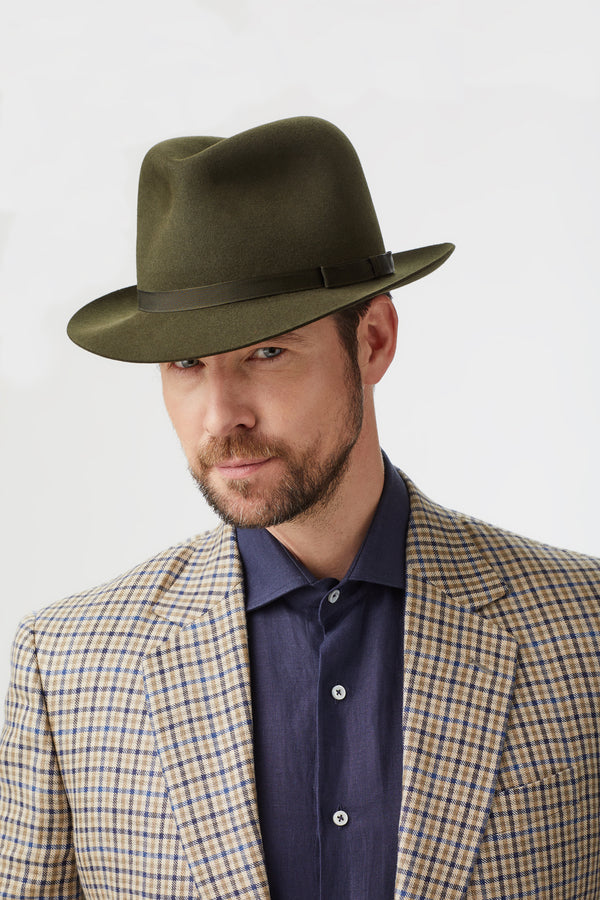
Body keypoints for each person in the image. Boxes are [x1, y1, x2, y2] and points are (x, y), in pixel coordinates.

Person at [0, 116, 598, 900]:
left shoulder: (583, 629)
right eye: (186, 362)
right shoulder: (68, 667)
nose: (221, 416)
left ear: (373, 341)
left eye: (267, 351)